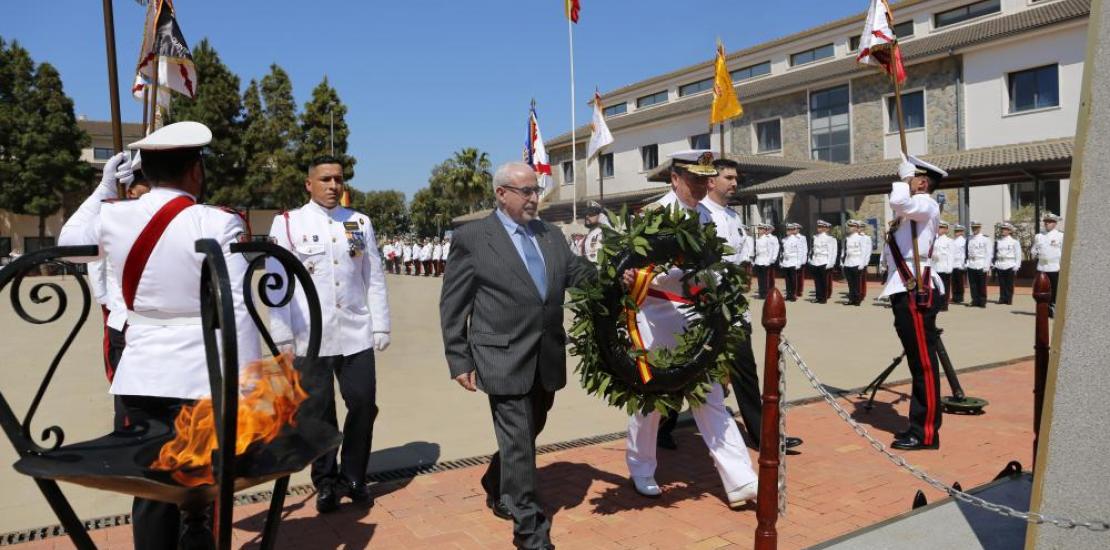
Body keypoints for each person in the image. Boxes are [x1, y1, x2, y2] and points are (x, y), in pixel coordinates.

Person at [59, 121, 260, 547]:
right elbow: (236, 306)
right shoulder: (217, 222)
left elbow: (71, 245)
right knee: (202, 484)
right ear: (195, 171)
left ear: (144, 173)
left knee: (150, 487)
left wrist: (102, 190)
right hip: (201, 375)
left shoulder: (114, 215)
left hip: (143, 374)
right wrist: (249, 384)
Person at [439, 162, 593, 550]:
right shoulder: (473, 237)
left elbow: (578, 275)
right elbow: (453, 303)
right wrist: (459, 358)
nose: (533, 198)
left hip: (545, 355)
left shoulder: (550, 235)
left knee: (529, 429)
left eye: (536, 190)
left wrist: (621, 275)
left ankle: (496, 480)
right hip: (500, 355)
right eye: (525, 191)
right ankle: (530, 531)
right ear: (501, 194)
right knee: (520, 443)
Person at [621, 150, 758, 510]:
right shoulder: (654, 216)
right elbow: (630, 264)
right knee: (650, 401)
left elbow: (714, 265)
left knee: (710, 395)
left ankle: (741, 479)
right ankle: (642, 468)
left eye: (705, 178)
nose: (702, 184)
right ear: (675, 179)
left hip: (695, 314)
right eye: (694, 178)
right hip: (655, 313)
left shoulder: (708, 217)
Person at [268, 155, 391, 513]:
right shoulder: (288, 224)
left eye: (338, 179)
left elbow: (374, 277)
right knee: (317, 415)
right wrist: (282, 334)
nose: (333, 186)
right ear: (309, 184)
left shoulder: (358, 222)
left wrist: (380, 323)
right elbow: (278, 284)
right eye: (325, 179)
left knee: (363, 404)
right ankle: (325, 481)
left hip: (355, 332)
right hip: (311, 335)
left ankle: (354, 475)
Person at [880, 154, 946, 451]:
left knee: (923, 365)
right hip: (903, 287)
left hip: (915, 289)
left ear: (921, 182)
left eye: (913, 178)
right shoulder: (913, 212)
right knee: (917, 361)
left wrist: (904, 179)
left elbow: (901, 202)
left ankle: (926, 433)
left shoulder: (926, 205)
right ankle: (918, 424)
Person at [89, 151, 152, 431]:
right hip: (123, 322)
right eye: (144, 190)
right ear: (130, 188)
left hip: (160, 328)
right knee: (129, 409)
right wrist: (109, 305)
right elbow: (96, 267)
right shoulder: (111, 218)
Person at [1031, 213, 1063, 315]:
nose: (1046, 223)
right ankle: (1043, 308)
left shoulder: (1060, 236)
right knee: (1040, 288)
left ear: (1055, 223)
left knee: (1054, 289)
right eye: (1045, 221)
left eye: (1049, 222)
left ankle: (1052, 307)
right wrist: (1034, 253)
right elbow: (1033, 250)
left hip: (1054, 267)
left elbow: (1064, 252)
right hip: (1042, 267)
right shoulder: (1039, 236)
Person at [993, 222, 1022, 305]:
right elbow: (995, 253)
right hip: (1000, 264)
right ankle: (1002, 298)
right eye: (1002, 229)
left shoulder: (1014, 242)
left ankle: (1009, 299)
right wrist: (994, 263)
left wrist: (1017, 265)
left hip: (1010, 264)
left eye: (1005, 229)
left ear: (1010, 231)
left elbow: (1018, 254)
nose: (1003, 231)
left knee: (1009, 283)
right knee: (1002, 283)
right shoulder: (998, 241)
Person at [809, 220, 837, 304]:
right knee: (817, 281)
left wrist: (831, 263)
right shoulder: (815, 237)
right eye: (818, 226)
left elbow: (833, 252)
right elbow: (813, 250)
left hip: (824, 261)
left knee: (824, 282)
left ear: (826, 228)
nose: (819, 228)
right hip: (816, 261)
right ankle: (818, 297)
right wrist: (811, 259)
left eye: (821, 227)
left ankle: (824, 298)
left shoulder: (830, 239)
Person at [842, 220, 869, 306]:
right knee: (850, 283)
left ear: (857, 228)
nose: (849, 228)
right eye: (849, 226)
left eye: (852, 226)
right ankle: (851, 299)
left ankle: (857, 300)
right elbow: (845, 251)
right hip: (848, 262)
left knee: (857, 283)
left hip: (857, 262)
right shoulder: (847, 238)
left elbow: (864, 252)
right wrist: (842, 262)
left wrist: (862, 264)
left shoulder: (861, 238)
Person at [966, 221, 992, 307]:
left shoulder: (986, 239)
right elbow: (966, 251)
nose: (974, 229)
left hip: (981, 263)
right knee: (972, 284)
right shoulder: (969, 238)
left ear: (980, 228)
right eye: (973, 228)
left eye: (976, 228)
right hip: (971, 263)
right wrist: (966, 262)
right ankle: (974, 300)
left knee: (981, 284)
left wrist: (987, 266)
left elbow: (989, 253)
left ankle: (982, 301)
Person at [780, 223, 806, 302]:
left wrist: (799, 263)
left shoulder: (796, 240)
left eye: (789, 229)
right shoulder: (784, 240)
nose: (787, 231)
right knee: (787, 280)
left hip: (793, 261)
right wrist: (781, 261)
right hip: (786, 262)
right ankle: (788, 294)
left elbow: (800, 252)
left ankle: (793, 295)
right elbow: (782, 252)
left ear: (792, 230)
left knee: (793, 280)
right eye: (787, 229)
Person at [931, 221, 955, 311]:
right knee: (936, 287)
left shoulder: (949, 241)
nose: (939, 229)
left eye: (941, 228)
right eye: (938, 227)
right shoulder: (934, 240)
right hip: (935, 267)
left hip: (944, 267)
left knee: (944, 287)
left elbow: (951, 255)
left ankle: (944, 305)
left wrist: (949, 268)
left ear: (946, 229)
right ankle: (936, 304)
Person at [753, 224, 778, 299]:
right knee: (760, 279)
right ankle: (761, 293)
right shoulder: (757, 240)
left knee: (765, 279)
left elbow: (770, 251)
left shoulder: (767, 239)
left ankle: (765, 293)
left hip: (765, 261)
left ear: (764, 230)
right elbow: (757, 251)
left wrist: (769, 261)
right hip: (758, 261)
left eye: (761, 229)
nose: (759, 231)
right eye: (759, 229)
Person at [950, 224, 968, 304]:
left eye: (958, 231)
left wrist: (963, 264)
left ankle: (960, 297)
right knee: (954, 282)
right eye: (955, 231)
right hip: (953, 264)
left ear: (962, 232)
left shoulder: (964, 241)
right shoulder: (953, 241)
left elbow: (964, 253)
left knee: (960, 282)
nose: (956, 233)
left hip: (960, 264)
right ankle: (955, 297)